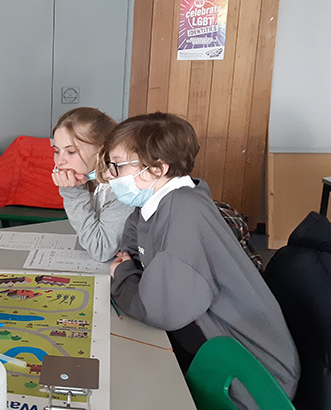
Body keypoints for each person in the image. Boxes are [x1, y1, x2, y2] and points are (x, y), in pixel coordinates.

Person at [102, 112, 300, 408]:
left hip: (251, 382)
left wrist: (124, 277)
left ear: (157, 169)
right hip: (210, 343)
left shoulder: (184, 210)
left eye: (116, 166)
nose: (108, 175)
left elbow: (160, 308)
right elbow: (128, 249)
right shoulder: (156, 203)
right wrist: (129, 272)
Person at [50, 107, 134, 262]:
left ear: (102, 151)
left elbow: (100, 249)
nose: (60, 161)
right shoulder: (87, 181)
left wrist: (73, 194)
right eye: (56, 151)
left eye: (71, 152)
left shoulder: (121, 188)